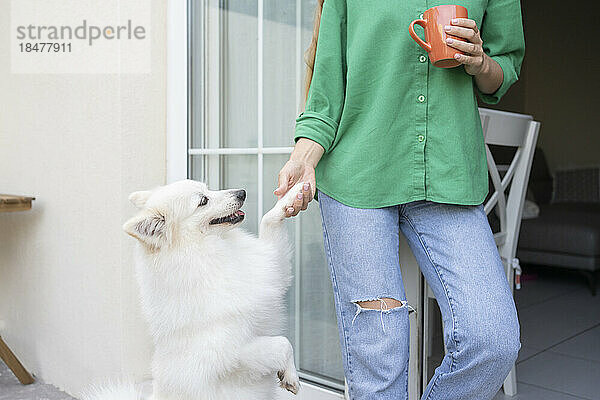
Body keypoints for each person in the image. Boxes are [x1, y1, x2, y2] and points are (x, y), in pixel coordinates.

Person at [275, 0, 525, 399]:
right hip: (358, 177)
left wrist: (480, 62)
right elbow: (326, 89)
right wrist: (303, 158)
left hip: (448, 175)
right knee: (380, 354)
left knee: (491, 339)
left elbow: (505, 68)